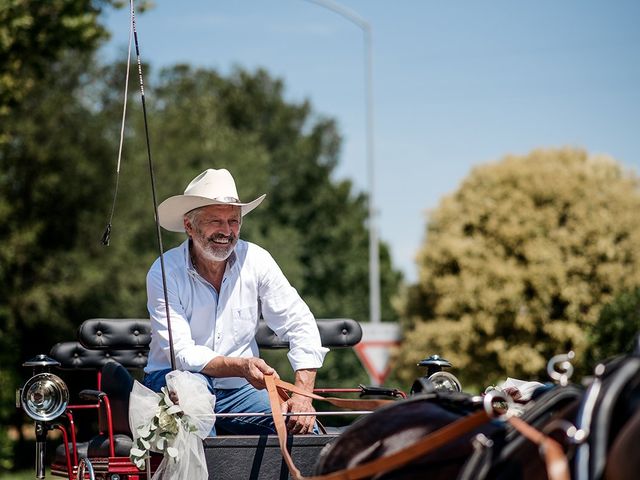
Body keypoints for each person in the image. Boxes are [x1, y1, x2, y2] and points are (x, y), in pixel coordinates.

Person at [143, 168, 328, 435]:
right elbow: (182, 354)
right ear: (189, 226)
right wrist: (241, 366)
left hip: (238, 390)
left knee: (305, 430)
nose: (227, 231)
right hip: (174, 380)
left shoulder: (257, 260)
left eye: (234, 221)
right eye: (215, 221)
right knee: (197, 418)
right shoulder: (164, 271)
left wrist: (302, 396)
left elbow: (299, 322)